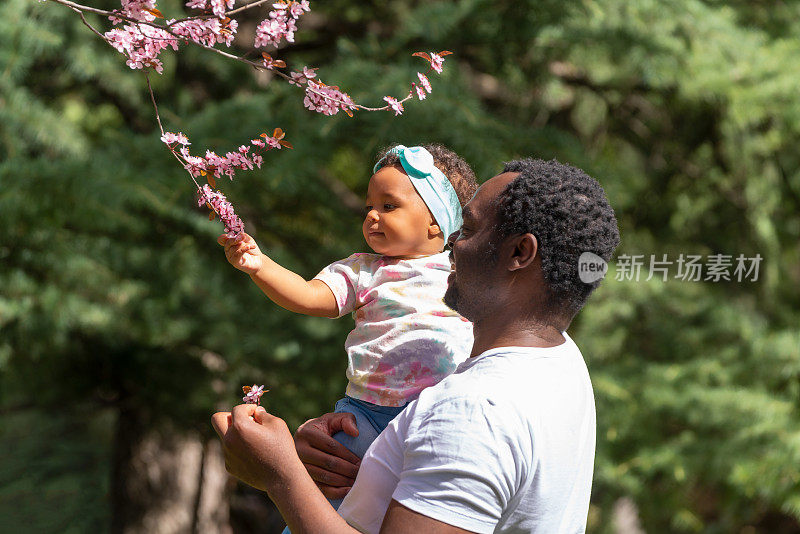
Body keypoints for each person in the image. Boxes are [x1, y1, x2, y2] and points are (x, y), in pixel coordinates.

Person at [212, 158, 621, 533]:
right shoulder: (559, 358)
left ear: (519, 252)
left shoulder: (473, 413)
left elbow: (457, 432)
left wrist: (280, 475)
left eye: (470, 229)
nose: (454, 242)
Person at [217, 144, 477, 490]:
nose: (371, 216)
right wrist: (260, 265)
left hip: (440, 414)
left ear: (436, 220)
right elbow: (309, 296)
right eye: (369, 207)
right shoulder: (363, 270)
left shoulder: (465, 272)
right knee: (335, 494)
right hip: (366, 414)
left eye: (389, 206)